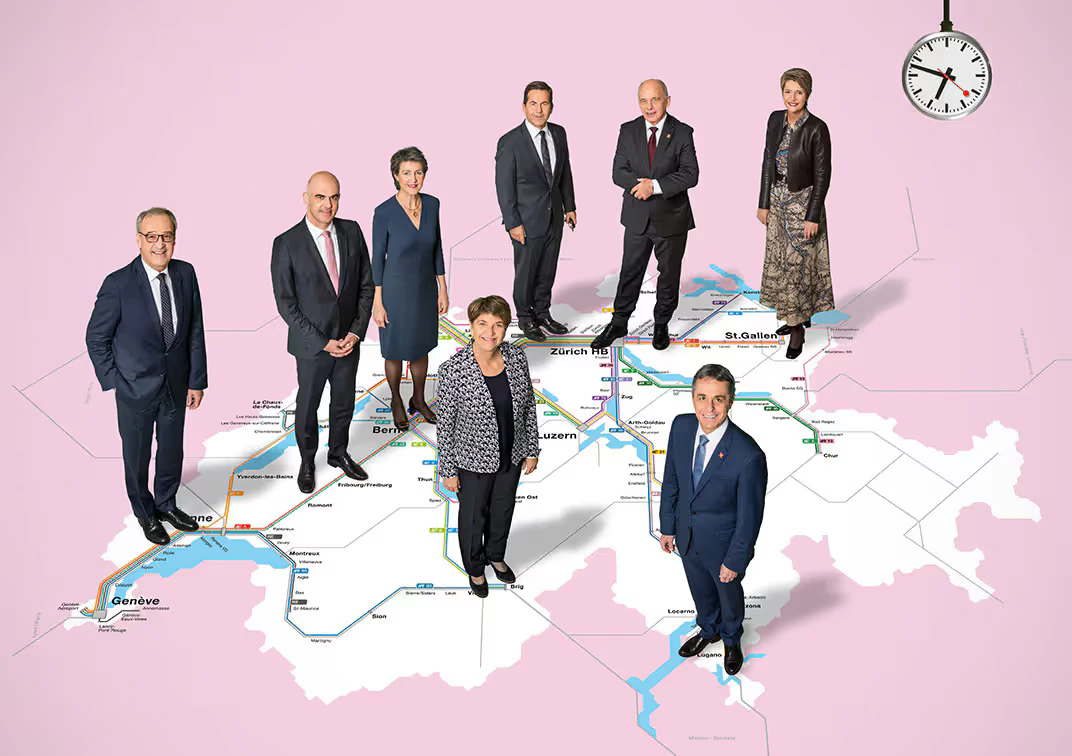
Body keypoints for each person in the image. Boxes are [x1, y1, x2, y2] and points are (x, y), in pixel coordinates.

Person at [86, 207, 208, 545]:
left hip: (176, 385)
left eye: (166, 236)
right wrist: (115, 382)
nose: (159, 244)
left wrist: (197, 379)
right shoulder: (118, 284)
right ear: (138, 240)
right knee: (137, 458)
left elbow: (195, 329)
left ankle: (166, 503)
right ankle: (145, 512)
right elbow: (96, 338)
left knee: (172, 452)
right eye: (151, 237)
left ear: (174, 239)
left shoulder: (186, 273)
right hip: (134, 390)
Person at [270, 171, 375, 494]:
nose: (328, 205)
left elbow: (366, 287)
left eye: (334, 197)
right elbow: (287, 305)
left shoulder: (352, 231)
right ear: (305, 197)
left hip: (347, 342)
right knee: (308, 405)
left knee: (343, 403)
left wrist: (355, 334)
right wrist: (323, 342)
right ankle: (307, 461)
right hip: (312, 347)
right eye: (320, 197)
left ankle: (338, 453)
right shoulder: (286, 243)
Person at [659, 364, 767, 676]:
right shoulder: (680, 427)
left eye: (718, 399)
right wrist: (668, 527)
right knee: (700, 590)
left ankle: (731, 638)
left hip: (724, 544)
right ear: (692, 398)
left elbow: (751, 516)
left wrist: (735, 559)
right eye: (702, 398)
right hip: (686, 536)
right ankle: (709, 629)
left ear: (731, 400)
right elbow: (672, 481)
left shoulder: (748, 454)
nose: (709, 408)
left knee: (728, 595)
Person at [436, 296, 540, 598]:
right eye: (482, 323)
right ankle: (476, 568)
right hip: (472, 461)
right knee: (473, 518)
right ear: (471, 326)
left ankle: (495, 555)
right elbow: (446, 424)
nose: (490, 332)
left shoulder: (516, 358)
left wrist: (531, 448)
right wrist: (448, 470)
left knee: (502, 511)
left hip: (512, 453)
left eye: (498, 325)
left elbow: (528, 406)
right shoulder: (453, 369)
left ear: (506, 328)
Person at [592, 79, 699, 352]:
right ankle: (619, 322)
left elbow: (690, 174)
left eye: (655, 99)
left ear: (667, 100)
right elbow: (618, 171)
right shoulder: (627, 130)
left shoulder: (683, 132)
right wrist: (639, 186)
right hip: (637, 217)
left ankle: (661, 324)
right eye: (643, 100)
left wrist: (656, 186)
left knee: (668, 275)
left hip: (671, 218)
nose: (649, 106)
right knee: (630, 271)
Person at [756, 68, 835, 360]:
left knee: (798, 268)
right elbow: (767, 161)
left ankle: (798, 328)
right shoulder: (775, 119)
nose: (792, 97)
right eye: (788, 91)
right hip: (777, 203)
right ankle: (790, 317)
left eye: (798, 92)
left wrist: (812, 215)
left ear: (808, 94)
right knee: (779, 263)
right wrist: (763, 202)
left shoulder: (817, 127)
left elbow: (823, 174)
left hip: (803, 205)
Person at [372, 147, 449, 430]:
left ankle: (418, 398)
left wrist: (443, 287)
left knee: (421, 347)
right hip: (393, 291)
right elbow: (377, 259)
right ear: (396, 175)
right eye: (406, 173)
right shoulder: (384, 212)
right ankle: (396, 399)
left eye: (418, 172)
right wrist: (377, 301)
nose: (413, 178)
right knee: (393, 351)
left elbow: (437, 247)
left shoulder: (433, 204)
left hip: (424, 289)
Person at [495, 81, 577, 343]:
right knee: (526, 271)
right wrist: (512, 222)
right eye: (533, 103)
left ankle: (542, 313)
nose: (539, 109)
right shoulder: (510, 142)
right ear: (523, 106)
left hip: (554, 217)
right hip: (525, 222)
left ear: (551, 107)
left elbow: (564, 173)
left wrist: (570, 206)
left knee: (547, 269)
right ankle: (525, 318)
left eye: (544, 103)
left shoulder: (560, 133)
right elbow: (503, 187)